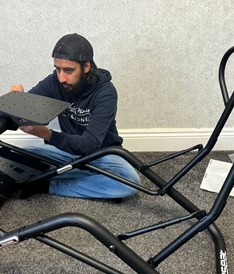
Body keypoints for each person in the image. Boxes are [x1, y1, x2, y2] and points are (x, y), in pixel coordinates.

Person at [10, 33, 140, 199]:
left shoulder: (106, 92)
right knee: (14, 158)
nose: (61, 77)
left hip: (102, 154)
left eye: (68, 70)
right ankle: (90, 179)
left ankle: (51, 184)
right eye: (58, 69)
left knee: (129, 182)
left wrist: (46, 134)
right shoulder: (55, 82)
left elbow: (89, 145)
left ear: (86, 67)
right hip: (67, 152)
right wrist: (16, 99)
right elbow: (26, 108)